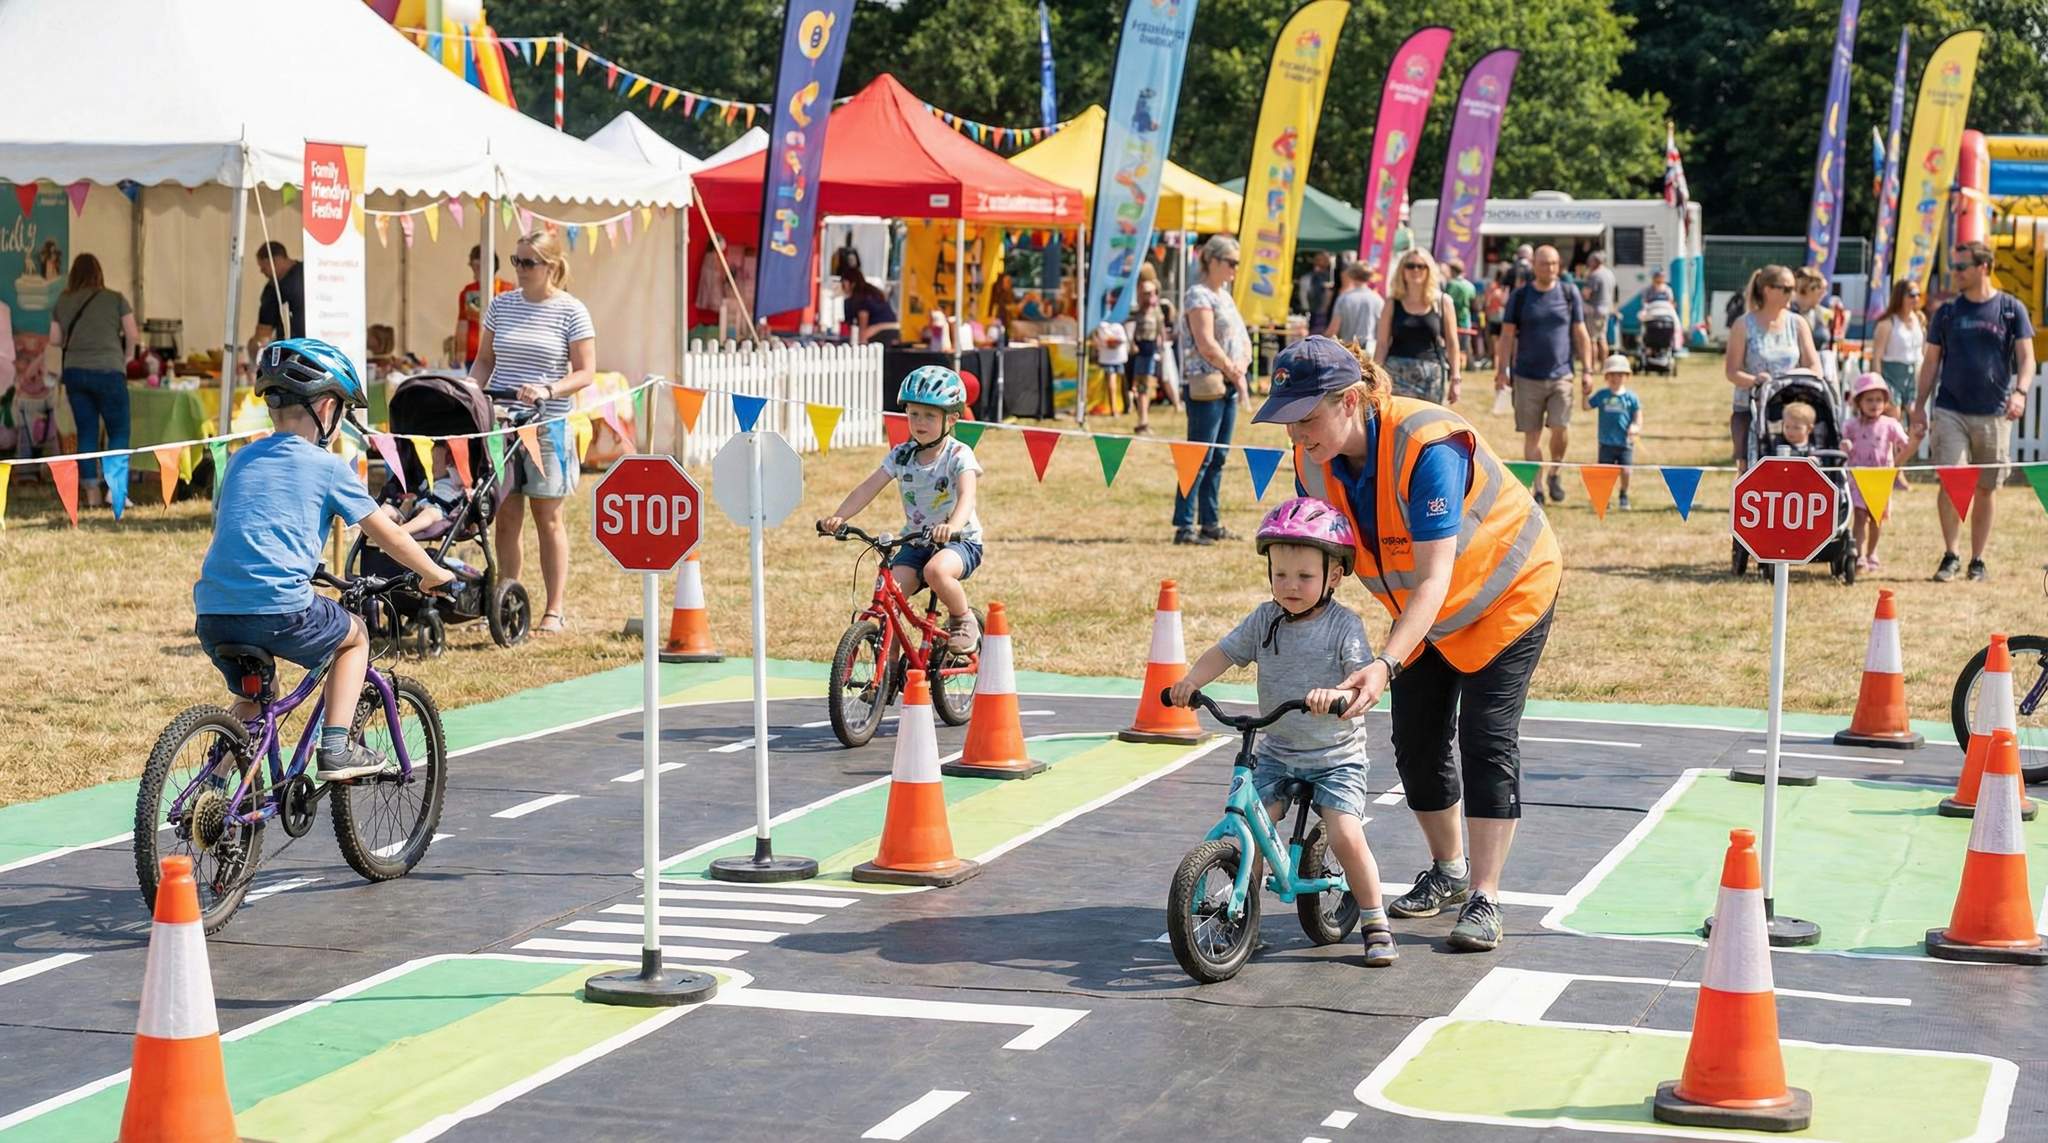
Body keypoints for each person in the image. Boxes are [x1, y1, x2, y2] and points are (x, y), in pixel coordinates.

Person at [1256, 336, 1560, 953]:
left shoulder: (1429, 448)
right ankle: (1448, 872)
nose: (1295, 433)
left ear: (1350, 400)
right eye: (1286, 419)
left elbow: (1435, 576)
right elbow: (1323, 561)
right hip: (1419, 615)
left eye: (1306, 417)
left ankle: (1485, 896)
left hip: (1507, 596)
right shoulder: (1313, 458)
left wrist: (1385, 662)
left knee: (1485, 737)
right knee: (1415, 739)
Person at [195, 339, 454, 781]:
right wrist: (434, 572)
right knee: (353, 639)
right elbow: (387, 533)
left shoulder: (239, 460)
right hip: (280, 608)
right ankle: (336, 748)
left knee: (256, 700)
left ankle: (211, 790)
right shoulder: (329, 466)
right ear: (328, 408)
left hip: (214, 610)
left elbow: (246, 524)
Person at [1167, 496, 1396, 967]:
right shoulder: (1263, 619)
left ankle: (1375, 921)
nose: (1290, 586)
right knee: (1252, 823)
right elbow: (1225, 652)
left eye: (1305, 577)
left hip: (1335, 756)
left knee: (1346, 833)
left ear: (1334, 576)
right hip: (1277, 748)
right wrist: (1192, 681)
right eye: (1280, 575)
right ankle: (1241, 917)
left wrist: (1335, 696)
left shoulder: (1343, 627)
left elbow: (1359, 682)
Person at [468, 229, 596, 634]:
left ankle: (554, 609)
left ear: (552, 266)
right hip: (502, 425)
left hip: (546, 427)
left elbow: (586, 372)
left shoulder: (572, 311)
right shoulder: (501, 305)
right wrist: (471, 391)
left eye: (528, 262)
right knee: (506, 518)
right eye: (516, 261)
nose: (520, 270)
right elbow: (484, 360)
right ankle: (510, 602)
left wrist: (548, 389)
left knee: (549, 518)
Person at [819, 366, 984, 652]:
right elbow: (867, 488)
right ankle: (888, 669)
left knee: (936, 572)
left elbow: (968, 495)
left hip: (960, 542)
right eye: (914, 413)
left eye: (930, 415)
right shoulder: (901, 455)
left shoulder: (958, 454)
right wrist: (839, 517)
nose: (920, 422)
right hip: (917, 541)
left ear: (952, 419)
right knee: (888, 597)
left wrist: (953, 527)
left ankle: (963, 619)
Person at [1913, 239, 2036, 583]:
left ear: (1984, 267)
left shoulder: (2011, 309)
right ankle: (1951, 554)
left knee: (1986, 487)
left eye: (1961, 267)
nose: (1955, 273)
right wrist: (1919, 406)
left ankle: (1977, 559)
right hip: (1950, 408)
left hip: (1995, 411)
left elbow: (2026, 358)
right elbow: (1931, 361)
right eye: (1953, 267)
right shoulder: (1947, 312)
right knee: (1952, 478)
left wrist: (2021, 393)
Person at [1495, 245, 1591, 505]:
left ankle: (1555, 472)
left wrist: (1588, 370)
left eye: (1553, 263)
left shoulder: (1569, 293)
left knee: (1560, 428)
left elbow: (1581, 333)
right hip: (1526, 376)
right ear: (1534, 265)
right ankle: (1537, 487)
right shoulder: (1520, 296)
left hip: (1561, 374)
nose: (1548, 268)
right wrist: (1502, 369)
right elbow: (1505, 335)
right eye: (1543, 263)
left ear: (1559, 266)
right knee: (1532, 435)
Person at [1176, 235, 1252, 546]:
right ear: (1213, 261)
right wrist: (1232, 369)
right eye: (1231, 262)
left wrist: (1242, 364)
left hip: (1228, 383)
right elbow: (1206, 342)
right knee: (1198, 455)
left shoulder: (1226, 296)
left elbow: (1241, 338)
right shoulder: (1198, 295)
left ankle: (1210, 520)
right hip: (1207, 383)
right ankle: (1184, 525)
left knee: (1218, 455)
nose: (1236, 268)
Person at [49, 253, 138, 510]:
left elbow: (54, 340)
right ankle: (115, 490)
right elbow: (132, 333)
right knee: (118, 431)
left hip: (75, 371)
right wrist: (127, 357)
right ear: (99, 273)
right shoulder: (115, 298)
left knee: (86, 432)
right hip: (110, 370)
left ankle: (91, 494)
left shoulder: (63, 301)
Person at [1723, 265, 1820, 469]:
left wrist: (1791, 377)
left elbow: (1814, 367)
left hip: (1791, 410)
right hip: (1752, 408)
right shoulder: (1743, 324)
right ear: (1767, 289)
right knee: (1748, 468)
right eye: (1785, 288)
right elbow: (1732, 371)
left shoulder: (1798, 324)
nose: (1791, 294)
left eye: (1794, 288)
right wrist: (1756, 380)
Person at [1375, 248, 1462, 405]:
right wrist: (1375, 375)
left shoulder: (1443, 302)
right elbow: (1381, 344)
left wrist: (1456, 378)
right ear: (1402, 270)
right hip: (1396, 374)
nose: (1415, 270)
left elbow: (1452, 343)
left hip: (1431, 374)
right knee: (1398, 425)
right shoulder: (1392, 303)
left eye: (1421, 266)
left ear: (1429, 270)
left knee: (1430, 426)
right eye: (1410, 266)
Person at [1844, 372, 1910, 572]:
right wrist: (1844, 445)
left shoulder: (1890, 425)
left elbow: (1905, 444)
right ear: (1859, 402)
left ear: (1886, 402)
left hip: (1881, 480)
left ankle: (1872, 553)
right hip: (1858, 479)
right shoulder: (1851, 425)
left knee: (1876, 518)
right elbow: (1843, 443)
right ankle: (1858, 553)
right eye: (1869, 400)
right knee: (1860, 516)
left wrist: (1913, 439)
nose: (1874, 404)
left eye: (1879, 400)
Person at [1585, 354, 1643, 510]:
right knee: (1605, 474)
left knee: (1626, 471)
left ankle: (1624, 494)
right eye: (1611, 374)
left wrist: (1635, 427)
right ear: (1606, 376)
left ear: (1626, 376)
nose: (1615, 378)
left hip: (1625, 443)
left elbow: (1638, 416)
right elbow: (1586, 406)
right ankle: (1605, 498)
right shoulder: (1602, 395)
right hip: (1606, 443)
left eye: (1619, 374)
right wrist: (1585, 392)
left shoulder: (1631, 397)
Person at [376, 442, 464, 538]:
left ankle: (401, 531)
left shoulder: (453, 479)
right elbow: (417, 493)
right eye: (431, 462)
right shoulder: (426, 481)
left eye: (437, 462)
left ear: (449, 464)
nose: (432, 465)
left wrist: (452, 467)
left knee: (431, 513)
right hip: (415, 509)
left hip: (440, 512)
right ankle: (374, 529)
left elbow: (462, 480)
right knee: (386, 508)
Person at [1869, 279, 1927, 411]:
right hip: (1891, 374)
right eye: (1911, 294)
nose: (1916, 298)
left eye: (1918, 294)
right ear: (1900, 296)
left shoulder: (1919, 319)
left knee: (1915, 417)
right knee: (1894, 415)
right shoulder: (1887, 323)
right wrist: (1878, 385)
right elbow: (1877, 357)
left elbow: (1922, 350)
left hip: (1914, 374)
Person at [456, 245, 514, 369]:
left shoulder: (508, 289)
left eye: (478, 267)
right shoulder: (468, 291)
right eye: (473, 266)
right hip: (474, 353)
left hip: (501, 352)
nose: (475, 271)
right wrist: (460, 353)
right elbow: (462, 325)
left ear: (490, 266)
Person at [247, 242, 305, 360]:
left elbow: (262, 336)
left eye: (263, 267)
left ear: (274, 261)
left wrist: (252, 354)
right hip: (323, 353)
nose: (261, 272)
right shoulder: (310, 271)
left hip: (292, 359)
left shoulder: (274, 289)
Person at [1128, 277, 1171, 433]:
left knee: (1145, 388)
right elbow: (1128, 329)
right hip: (1138, 353)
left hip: (1150, 352)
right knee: (1140, 388)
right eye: (1146, 293)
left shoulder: (1157, 313)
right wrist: (1131, 343)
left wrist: (1163, 350)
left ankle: (1144, 420)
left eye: (1152, 292)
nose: (1149, 296)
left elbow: (1162, 332)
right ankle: (1142, 420)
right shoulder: (1135, 312)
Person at [1792, 266, 1837, 384]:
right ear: (1810, 289)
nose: (1824, 293)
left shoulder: (1820, 313)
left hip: (1822, 373)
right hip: (1796, 373)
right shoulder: (1789, 314)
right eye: (1822, 289)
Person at [1331, 261, 1384, 352]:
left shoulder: (1344, 298)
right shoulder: (1378, 300)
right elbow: (1382, 332)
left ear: (1351, 275)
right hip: (1369, 351)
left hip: (1347, 350)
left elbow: (1333, 329)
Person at [839, 266, 899, 345]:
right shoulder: (872, 292)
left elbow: (863, 324)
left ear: (852, 284)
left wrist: (861, 343)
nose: (842, 287)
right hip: (894, 329)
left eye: (844, 284)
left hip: (879, 330)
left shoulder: (861, 298)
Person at [1442, 258, 1479, 370]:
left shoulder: (1451, 285)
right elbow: (1475, 305)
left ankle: (1453, 367)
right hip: (1465, 319)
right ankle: (1470, 366)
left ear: (1452, 271)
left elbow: (1445, 302)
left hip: (1452, 319)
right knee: (1466, 346)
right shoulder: (1470, 285)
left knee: (1451, 344)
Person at [1583, 252, 1618, 363]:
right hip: (1606, 310)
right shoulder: (1609, 274)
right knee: (1603, 338)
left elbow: (1586, 293)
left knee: (1592, 340)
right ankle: (1604, 365)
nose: (1589, 263)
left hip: (1594, 310)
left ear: (1595, 262)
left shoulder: (1595, 275)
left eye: (1591, 261)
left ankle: (1592, 365)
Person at [1093, 313, 1128, 415]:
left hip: (1113, 358)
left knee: (1116, 384)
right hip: (1113, 358)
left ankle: (1117, 407)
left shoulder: (1103, 326)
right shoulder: (1115, 326)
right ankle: (1114, 408)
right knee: (1114, 384)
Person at [1298, 251, 1338, 335]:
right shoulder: (1309, 277)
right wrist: (1306, 308)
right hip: (1315, 312)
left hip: (1329, 313)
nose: (1324, 262)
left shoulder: (1332, 276)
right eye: (1320, 259)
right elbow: (1303, 293)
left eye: (1325, 260)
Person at [1480, 271, 1509, 369]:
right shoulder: (1504, 288)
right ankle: (1498, 364)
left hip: (1493, 317)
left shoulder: (1493, 287)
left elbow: (1487, 302)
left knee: (1494, 343)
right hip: (1502, 316)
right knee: (1500, 343)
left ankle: (1495, 364)